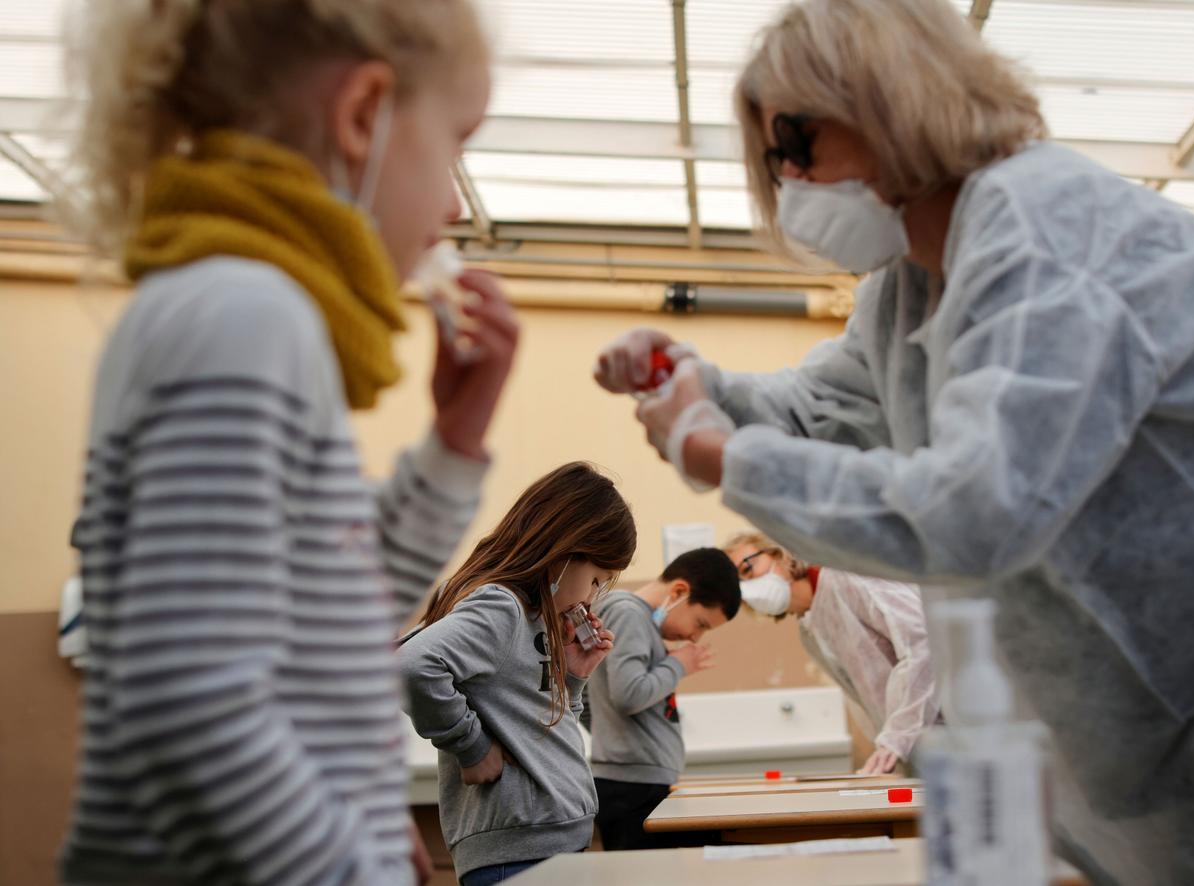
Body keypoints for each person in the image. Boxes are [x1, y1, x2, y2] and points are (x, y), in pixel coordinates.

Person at [592, 2, 1194, 884]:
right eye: (772, 161)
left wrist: (726, 457)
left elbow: (979, 510)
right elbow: (817, 409)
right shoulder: (907, 287)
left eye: (797, 143)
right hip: (1167, 738)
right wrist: (690, 385)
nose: (789, 181)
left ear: (894, 99)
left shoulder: (1049, 233)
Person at [59, 2, 515, 884]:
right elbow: (191, 709)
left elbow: (332, 618)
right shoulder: (246, 317)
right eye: (454, 143)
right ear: (361, 116)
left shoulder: (238, 308)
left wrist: (455, 441)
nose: (455, 202)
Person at [398, 463, 635, 885]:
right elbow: (412, 666)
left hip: (550, 842)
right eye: (597, 578)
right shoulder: (500, 606)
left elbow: (530, 719)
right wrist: (470, 746)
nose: (595, 595)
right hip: (520, 850)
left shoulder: (533, 614)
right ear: (565, 550)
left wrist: (573, 678)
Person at [724, 531, 938, 776]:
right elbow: (871, 697)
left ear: (779, 553)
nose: (749, 585)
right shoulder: (810, 630)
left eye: (748, 568)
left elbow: (926, 647)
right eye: (739, 585)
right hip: (914, 748)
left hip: (950, 727)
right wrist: (889, 747)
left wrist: (898, 737)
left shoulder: (848, 578)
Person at [589, 547, 742, 850]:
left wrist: (613, 734)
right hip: (632, 786)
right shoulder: (629, 614)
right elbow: (628, 694)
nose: (696, 637)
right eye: (701, 623)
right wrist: (677, 665)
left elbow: (593, 697)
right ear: (680, 591)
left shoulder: (636, 619)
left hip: (636, 780)